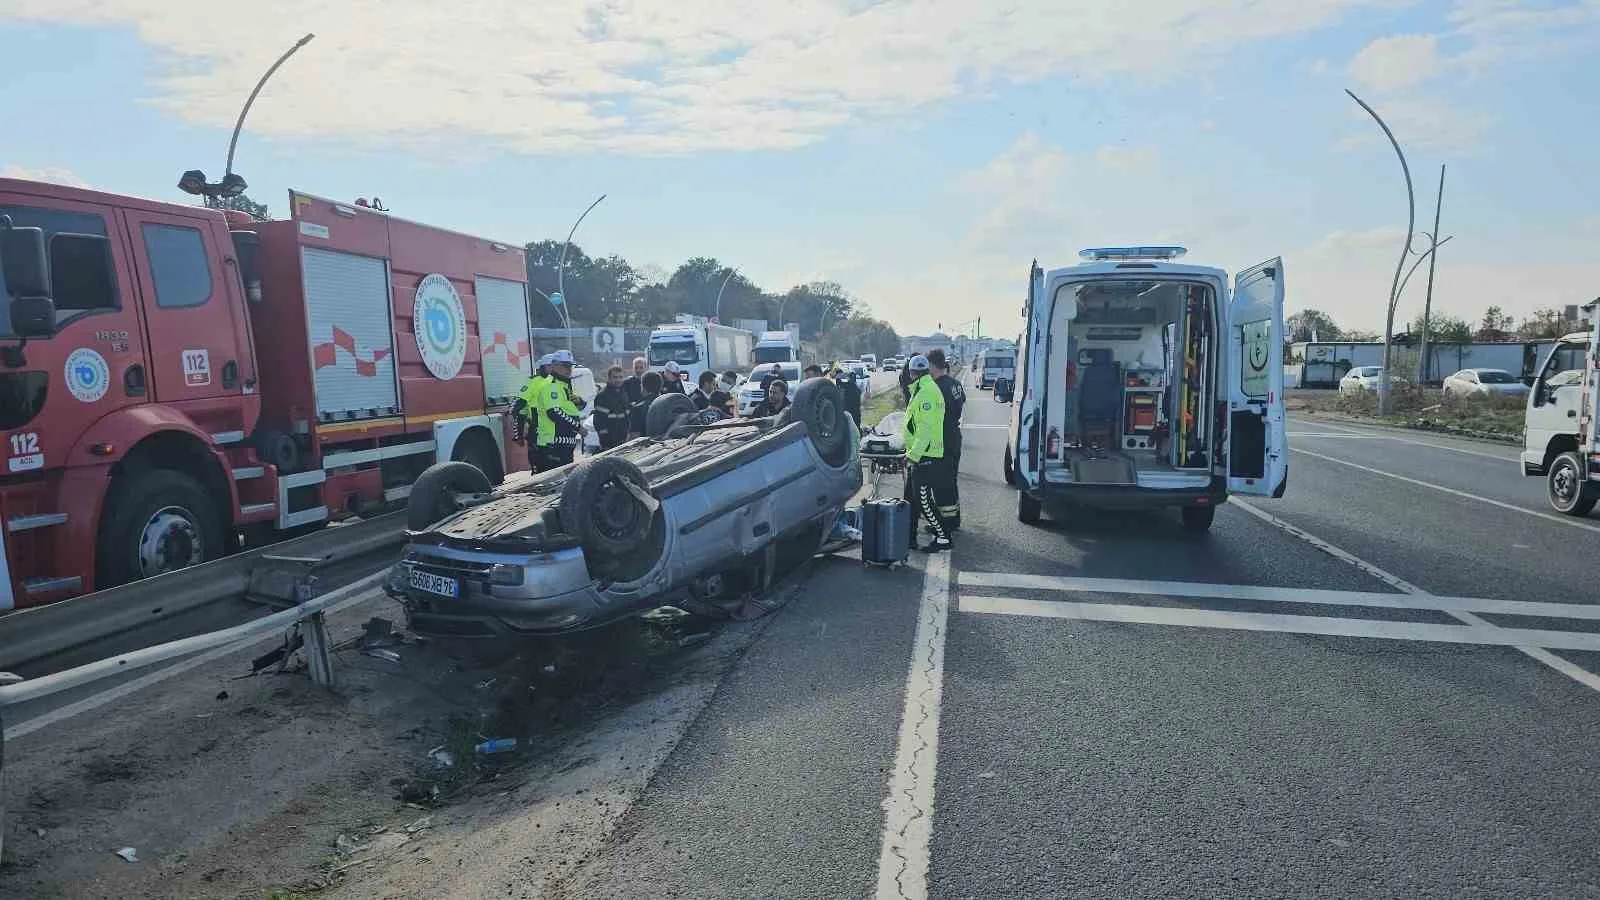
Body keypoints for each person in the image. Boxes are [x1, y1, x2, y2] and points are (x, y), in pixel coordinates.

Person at [901, 355, 954, 552]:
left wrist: (913, 454)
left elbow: (924, 428)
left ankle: (943, 537)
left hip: (926, 455)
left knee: (923, 501)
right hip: (920, 452)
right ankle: (909, 538)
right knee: (910, 500)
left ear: (911, 373)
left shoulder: (926, 393)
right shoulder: (923, 389)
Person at [925, 348, 965, 532]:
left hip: (942, 440)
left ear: (933, 365)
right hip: (955, 436)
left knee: (942, 484)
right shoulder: (956, 384)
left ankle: (944, 524)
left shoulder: (937, 387)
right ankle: (954, 519)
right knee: (952, 480)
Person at [535, 349, 587, 470]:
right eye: (565, 366)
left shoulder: (563, 385)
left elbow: (572, 408)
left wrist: (580, 402)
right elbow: (554, 413)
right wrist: (578, 427)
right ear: (554, 366)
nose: (569, 369)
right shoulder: (551, 386)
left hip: (564, 444)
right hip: (553, 445)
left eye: (570, 366)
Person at [512, 354, 554, 471]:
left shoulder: (557, 381)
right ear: (542, 367)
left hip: (554, 425)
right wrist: (518, 434)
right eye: (549, 366)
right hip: (537, 424)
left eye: (554, 365)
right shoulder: (534, 381)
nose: (552, 368)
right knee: (537, 457)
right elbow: (518, 406)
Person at [593, 365, 632, 450]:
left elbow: (627, 416)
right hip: (610, 440)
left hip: (623, 438)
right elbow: (599, 421)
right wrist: (605, 442)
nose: (618, 380)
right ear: (609, 378)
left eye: (620, 377)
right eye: (615, 377)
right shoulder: (603, 395)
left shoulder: (623, 393)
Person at [629, 370, 663, 438]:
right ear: (660, 386)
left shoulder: (638, 408)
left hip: (648, 447)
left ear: (643, 387)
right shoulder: (667, 404)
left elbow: (634, 437)